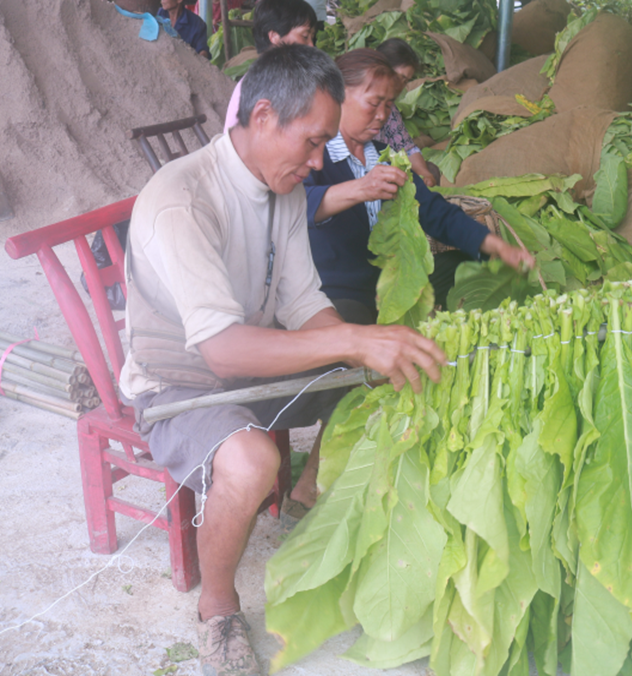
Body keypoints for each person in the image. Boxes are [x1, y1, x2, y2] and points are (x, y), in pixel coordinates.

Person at [120, 45, 446, 676]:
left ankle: (308, 503)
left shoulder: (284, 188)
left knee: (374, 380)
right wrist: (354, 341)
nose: (320, 161)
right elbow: (222, 349)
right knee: (251, 461)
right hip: (179, 383)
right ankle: (218, 608)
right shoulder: (183, 198)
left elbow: (303, 304)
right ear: (265, 116)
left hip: (254, 358)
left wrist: (364, 346)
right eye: (313, 141)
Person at [304, 48, 533, 321]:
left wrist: (496, 246)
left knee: (462, 268)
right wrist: (360, 189)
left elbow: (435, 212)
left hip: (390, 283)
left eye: (388, 105)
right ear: (339, 96)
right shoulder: (314, 155)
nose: (382, 115)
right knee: (347, 318)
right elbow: (301, 204)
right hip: (338, 292)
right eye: (374, 103)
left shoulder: (387, 157)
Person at [223, 0, 318, 131]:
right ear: (274, 37)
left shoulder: (289, 79)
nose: (311, 46)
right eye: (305, 36)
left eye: (312, 37)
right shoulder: (263, 84)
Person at [374, 38, 438, 187]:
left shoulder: (391, 110)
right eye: (399, 78)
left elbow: (407, 148)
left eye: (405, 82)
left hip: (383, 173)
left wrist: (425, 174)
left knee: (432, 170)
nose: (401, 87)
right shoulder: (355, 105)